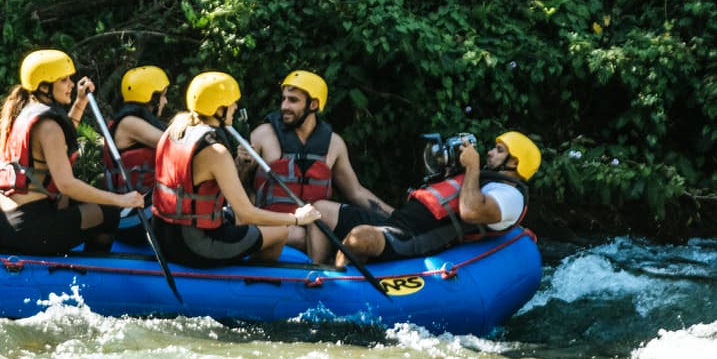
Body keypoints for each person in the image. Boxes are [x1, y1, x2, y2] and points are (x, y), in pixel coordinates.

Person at [152, 71, 321, 267]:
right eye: (231, 103)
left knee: (238, 217)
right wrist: (296, 219)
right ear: (218, 108)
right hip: (192, 243)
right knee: (281, 231)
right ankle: (251, 282)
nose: (235, 107)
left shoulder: (176, 128)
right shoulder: (216, 152)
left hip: (163, 232)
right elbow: (246, 214)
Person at [0, 49, 144, 255]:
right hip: (27, 228)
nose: (71, 84)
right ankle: (96, 272)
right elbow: (67, 185)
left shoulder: (25, 112)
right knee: (110, 214)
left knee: (88, 202)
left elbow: (58, 139)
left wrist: (80, 102)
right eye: (64, 80)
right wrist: (121, 200)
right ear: (45, 86)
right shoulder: (48, 125)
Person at [239, 70, 390, 262]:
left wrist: (394, 216)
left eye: (293, 100)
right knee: (299, 236)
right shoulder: (262, 135)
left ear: (314, 104)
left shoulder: (334, 143)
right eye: (284, 99)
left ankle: (319, 275)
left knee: (317, 221)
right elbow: (236, 184)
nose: (284, 106)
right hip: (273, 223)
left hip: (314, 227)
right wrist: (242, 165)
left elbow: (356, 192)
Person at [328, 131, 540, 267]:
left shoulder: (511, 196)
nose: (490, 153)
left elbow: (470, 211)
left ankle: (333, 283)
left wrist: (472, 166)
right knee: (322, 209)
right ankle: (316, 267)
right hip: (400, 220)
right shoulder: (484, 180)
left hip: (416, 237)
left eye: (499, 151)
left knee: (358, 237)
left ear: (514, 163)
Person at [101, 65, 170, 246]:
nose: (165, 101)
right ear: (151, 97)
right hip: (130, 216)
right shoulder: (130, 123)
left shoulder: (136, 119)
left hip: (139, 210)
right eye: (162, 95)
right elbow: (176, 145)